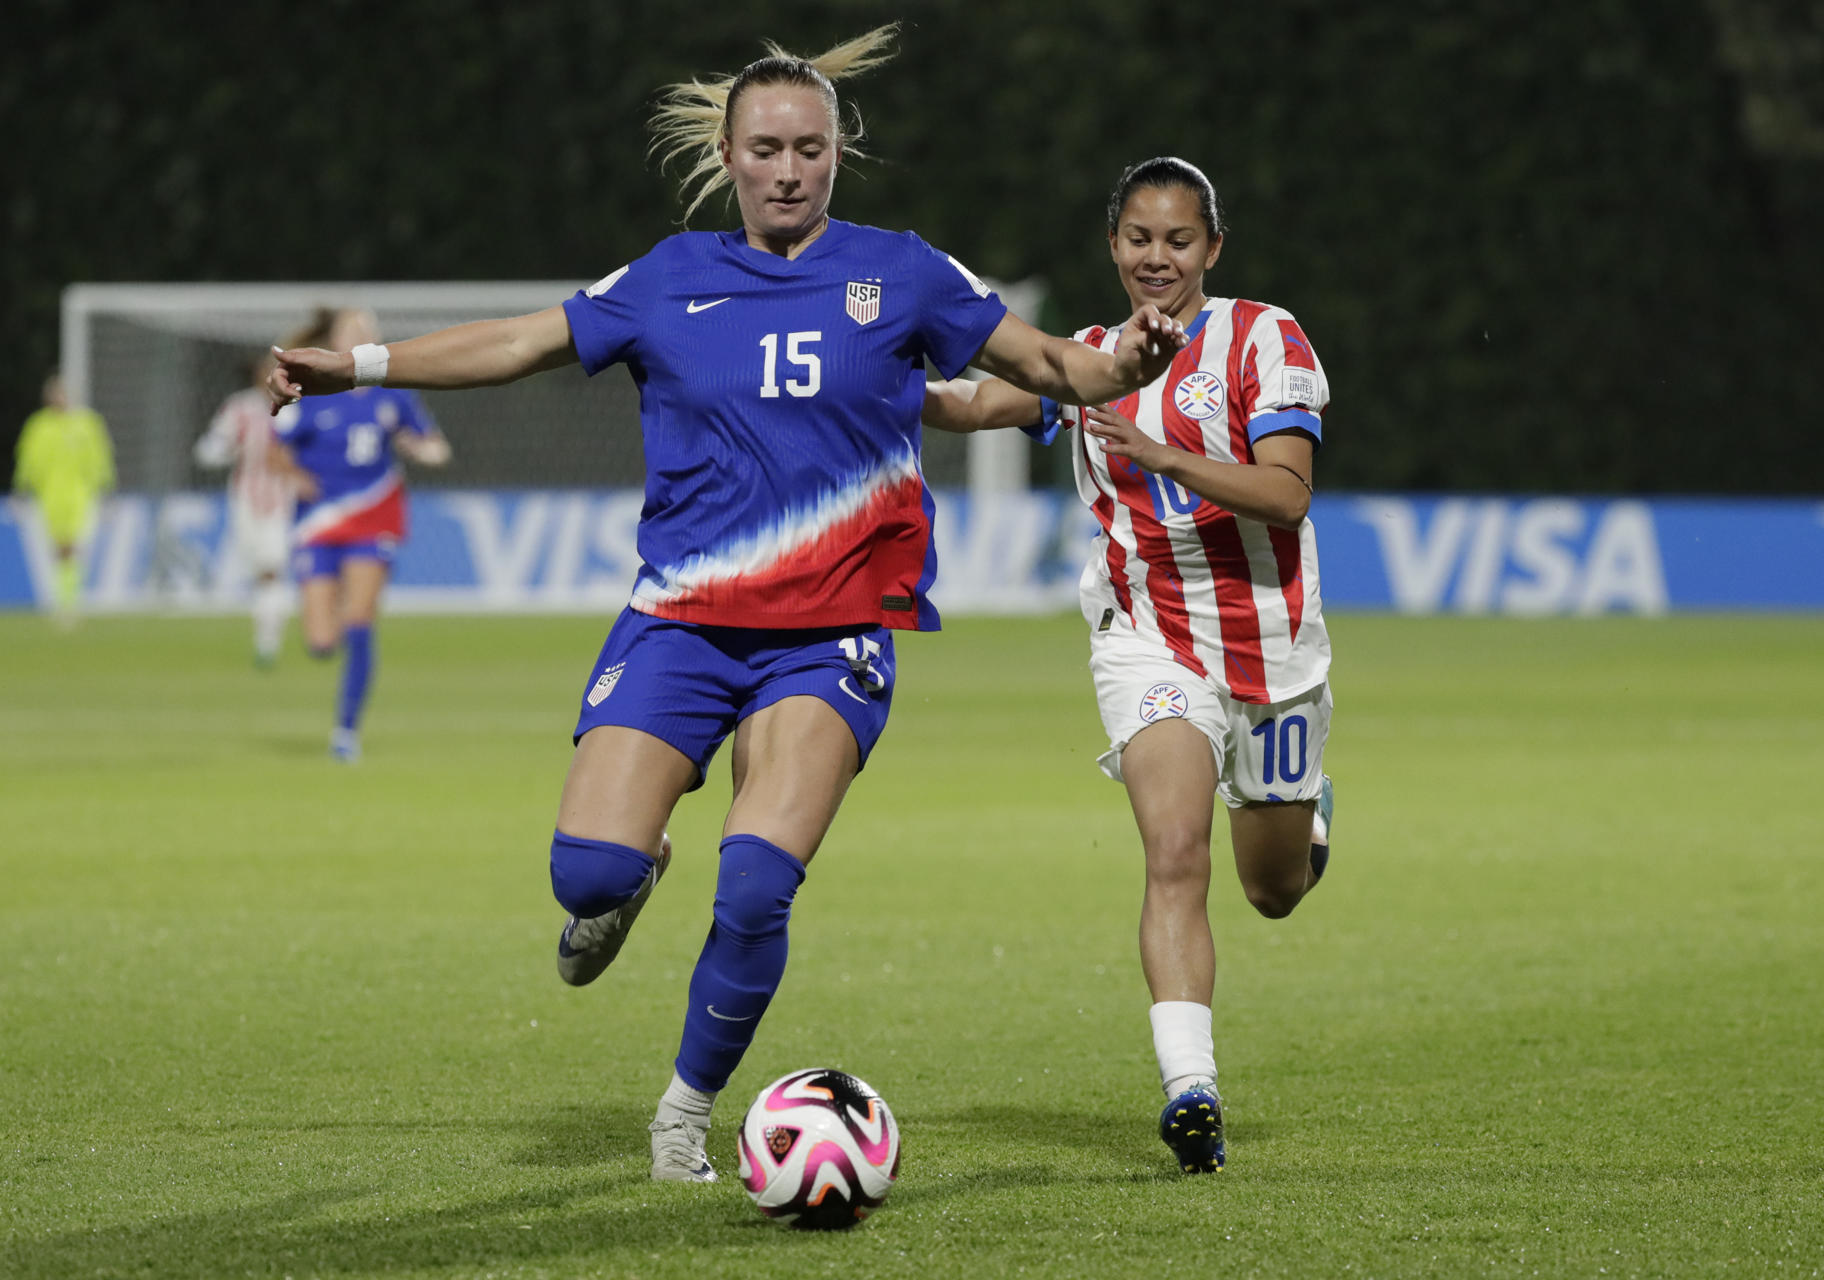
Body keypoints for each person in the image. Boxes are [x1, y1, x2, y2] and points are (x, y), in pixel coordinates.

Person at [267, 25, 1188, 1184]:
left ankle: (684, 1111)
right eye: (767, 148)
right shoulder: (667, 276)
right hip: (682, 623)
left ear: (838, 152)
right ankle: (635, 869)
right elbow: (517, 341)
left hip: (831, 632)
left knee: (756, 880)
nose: (790, 169)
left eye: (810, 147)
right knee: (585, 875)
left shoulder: (901, 271)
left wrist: (1128, 364)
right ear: (729, 152)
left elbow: (1053, 365)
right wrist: (355, 367)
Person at [923, 157, 1335, 1175]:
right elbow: (974, 408)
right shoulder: (1090, 361)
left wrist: (1166, 457)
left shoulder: (1264, 338)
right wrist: (863, 376)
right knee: (1174, 848)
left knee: (1273, 888)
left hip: (1272, 644)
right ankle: (1191, 1089)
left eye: (1179, 240)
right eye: (1140, 239)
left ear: (1213, 249)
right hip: (1143, 632)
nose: (1159, 257)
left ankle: (1307, 815)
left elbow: (1286, 498)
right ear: (1114, 248)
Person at [270, 307, 452, 761]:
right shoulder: (313, 394)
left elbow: (436, 447)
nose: (357, 336)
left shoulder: (392, 396)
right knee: (320, 642)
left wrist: (420, 449)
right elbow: (275, 450)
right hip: (318, 521)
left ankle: (345, 732)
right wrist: (296, 477)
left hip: (374, 516)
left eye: (364, 330)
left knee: (359, 620)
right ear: (334, 340)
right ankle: (327, 625)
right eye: (348, 330)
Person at [195, 348, 298, 666]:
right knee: (260, 571)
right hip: (245, 500)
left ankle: (268, 643)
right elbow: (207, 450)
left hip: (281, 500)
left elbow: (305, 451)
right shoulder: (238, 408)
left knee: (272, 569)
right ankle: (268, 630)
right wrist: (228, 449)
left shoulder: (294, 408)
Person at [12, 371, 115, 624]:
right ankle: (63, 601)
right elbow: (26, 461)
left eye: (63, 392)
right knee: (58, 550)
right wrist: (20, 490)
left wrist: (106, 491)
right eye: (55, 393)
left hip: (81, 496)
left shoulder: (88, 424)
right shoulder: (38, 426)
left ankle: (68, 603)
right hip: (49, 497)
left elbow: (100, 459)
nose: (60, 398)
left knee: (74, 548)